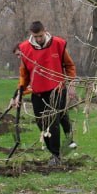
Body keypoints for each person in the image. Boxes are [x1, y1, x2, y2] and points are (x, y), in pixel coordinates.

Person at [12, 21, 77, 165]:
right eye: (36, 36)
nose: (39, 39)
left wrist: (72, 84)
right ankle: (55, 150)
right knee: (41, 124)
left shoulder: (58, 44)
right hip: (38, 92)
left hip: (57, 89)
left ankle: (56, 155)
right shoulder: (24, 48)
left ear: (45, 31)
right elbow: (24, 74)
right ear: (31, 34)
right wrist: (19, 93)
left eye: (41, 36)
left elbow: (69, 65)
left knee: (52, 121)